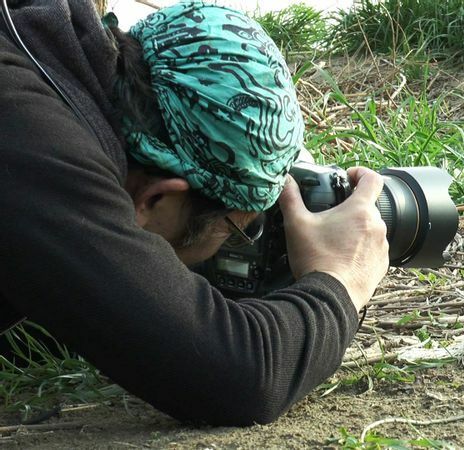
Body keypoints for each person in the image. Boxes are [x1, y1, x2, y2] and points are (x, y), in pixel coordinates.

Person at [0, 0, 389, 426]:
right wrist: (342, 280)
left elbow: (62, 296)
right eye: (236, 231)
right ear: (156, 198)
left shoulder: (39, 55)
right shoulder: (36, 142)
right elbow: (239, 377)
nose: (232, 245)